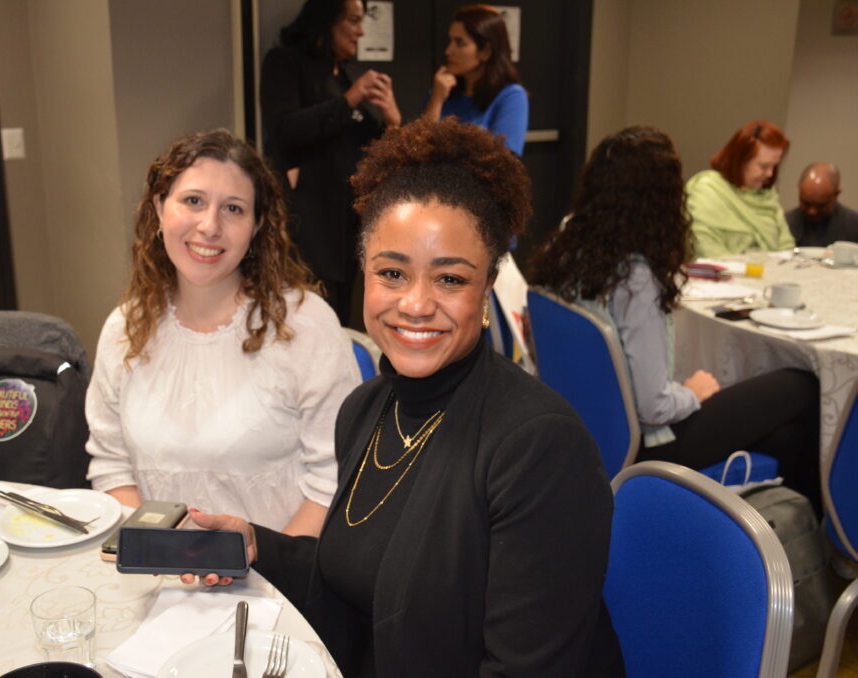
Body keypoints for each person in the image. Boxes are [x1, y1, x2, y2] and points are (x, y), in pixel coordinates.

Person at [187, 118, 625, 677]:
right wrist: (256, 545)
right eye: (392, 273)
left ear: (486, 289)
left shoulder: (540, 448)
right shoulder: (366, 409)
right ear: (364, 275)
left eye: (449, 280)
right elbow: (354, 580)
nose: (416, 304)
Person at [528, 126, 821, 510]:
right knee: (801, 384)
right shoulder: (635, 277)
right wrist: (693, 393)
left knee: (786, 435)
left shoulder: (565, 246)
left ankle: (792, 531)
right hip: (650, 447)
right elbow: (655, 407)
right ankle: (827, 542)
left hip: (586, 431)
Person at [84, 130, 360, 537]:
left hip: (277, 580)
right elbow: (111, 466)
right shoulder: (125, 329)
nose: (210, 226)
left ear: (257, 226)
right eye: (193, 201)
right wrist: (162, 554)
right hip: (159, 573)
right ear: (160, 208)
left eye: (233, 208)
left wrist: (264, 566)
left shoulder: (305, 325)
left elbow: (335, 478)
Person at [261, 0, 401, 325]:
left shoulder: (340, 76)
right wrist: (349, 100)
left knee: (343, 323)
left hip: (348, 229)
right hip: (308, 230)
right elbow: (284, 131)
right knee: (307, 321)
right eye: (353, 21)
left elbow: (369, 152)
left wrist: (392, 120)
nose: (361, 31)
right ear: (326, 21)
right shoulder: (284, 62)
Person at [422, 4, 529, 156]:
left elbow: (503, 162)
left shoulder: (511, 96)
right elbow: (419, 148)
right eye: (450, 41)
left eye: (459, 43)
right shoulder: (441, 92)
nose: (448, 51)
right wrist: (436, 100)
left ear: (485, 51)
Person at [686, 120, 795, 257]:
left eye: (774, 166)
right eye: (763, 166)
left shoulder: (767, 196)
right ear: (740, 161)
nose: (770, 173)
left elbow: (786, 246)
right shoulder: (707, 190)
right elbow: (704, 248)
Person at [786, 162, 858, 247]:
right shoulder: (786, 224)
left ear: (836, 194)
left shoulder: (854, 226)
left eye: (820, 205)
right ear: (799, 189)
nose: (812, 211)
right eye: (806, 203)